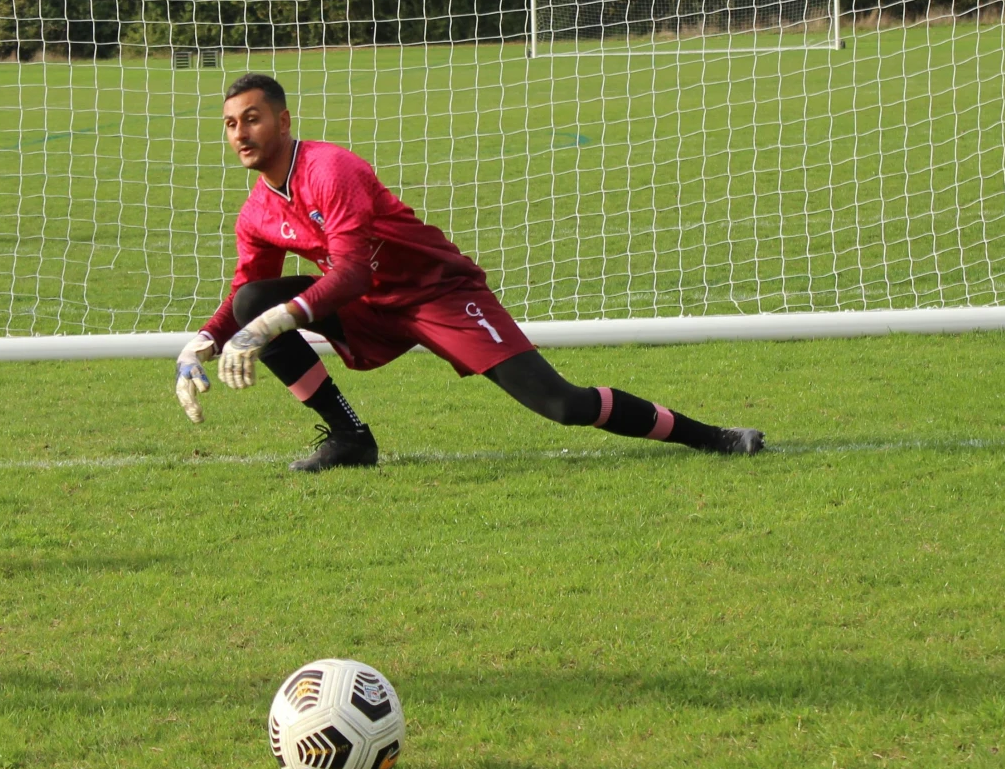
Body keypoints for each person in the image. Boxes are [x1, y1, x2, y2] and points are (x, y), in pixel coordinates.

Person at [177, 73, 764, 471]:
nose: (240, 134)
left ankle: (713, 437)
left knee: (561, 403)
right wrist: (201, 342)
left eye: (251, 119)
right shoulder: (257, 210)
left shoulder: (332, 168)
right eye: (230, 124)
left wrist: (271, 324)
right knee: (255, 300)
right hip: (368, 311)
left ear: (282, 120)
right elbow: (244, 293)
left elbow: (351, 271)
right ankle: (351, 439)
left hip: (438, 295)